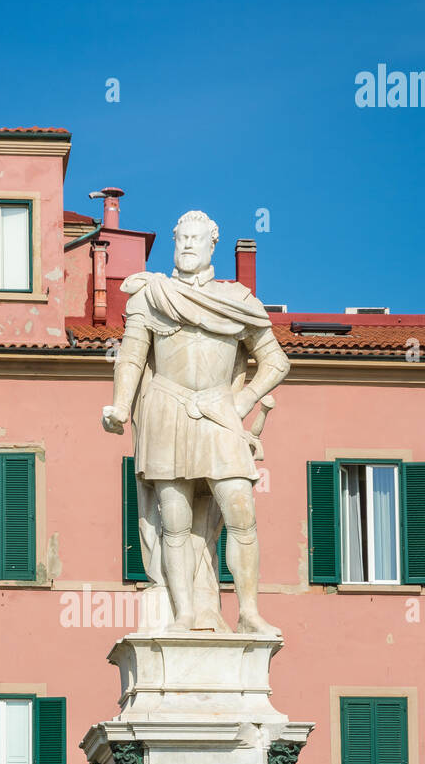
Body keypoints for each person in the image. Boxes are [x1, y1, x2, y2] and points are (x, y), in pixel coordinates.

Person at [102, 209, 290, 635]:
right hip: (166, 409)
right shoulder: (150, 296)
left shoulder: (238, 301)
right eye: (180, 238)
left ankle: (248, 612)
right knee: (175, 519)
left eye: (195, 238)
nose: (187, 245)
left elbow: (277, 362)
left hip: (219, 412)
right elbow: (131, 356)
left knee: (241, 512)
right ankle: (183, 611)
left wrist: (241, 403)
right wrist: (120, 406)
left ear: (212, 245)